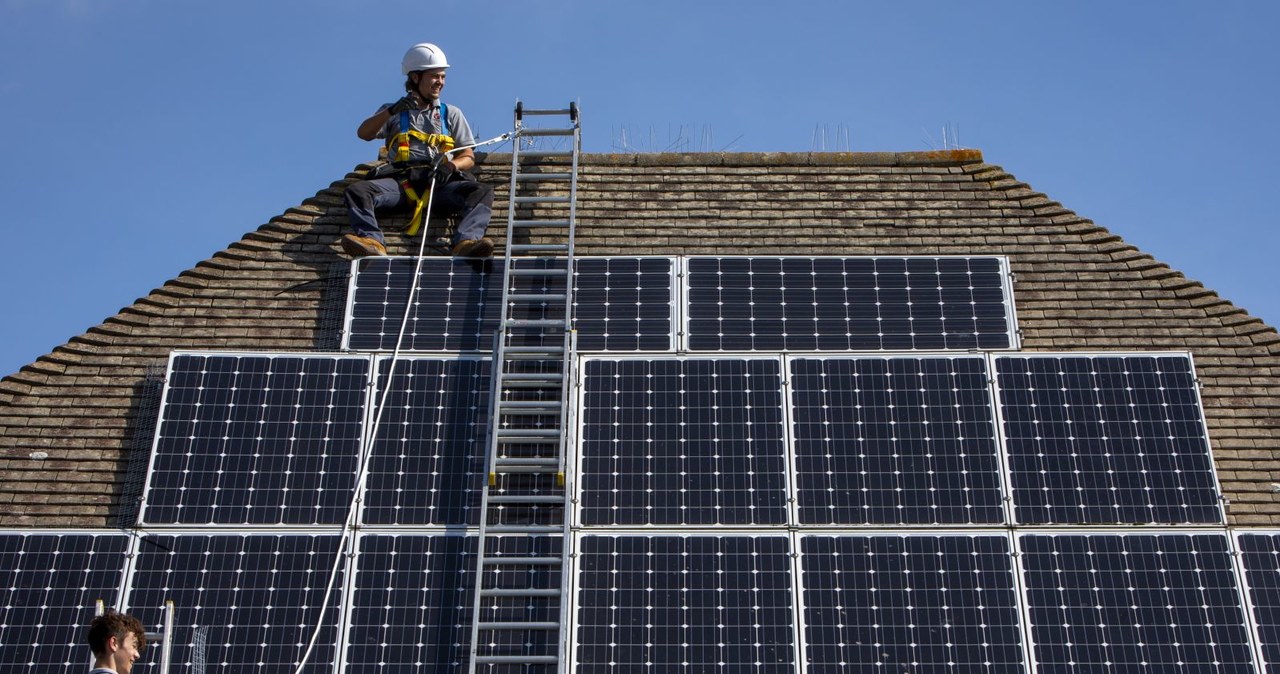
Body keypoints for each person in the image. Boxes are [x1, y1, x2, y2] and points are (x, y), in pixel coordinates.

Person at [341, 42, 496, 259]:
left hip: (439, 184)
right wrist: (391, 111)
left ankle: (466, 243)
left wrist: (450, 166)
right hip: (402, 183)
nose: (440, 82)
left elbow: (468, 156)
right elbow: (364, 133)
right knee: (357, 191)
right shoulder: (393, 112)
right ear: (415, 77)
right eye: (435, 76)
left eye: (442, 76)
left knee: (482, 191)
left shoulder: (450, 113)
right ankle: (372, 242)